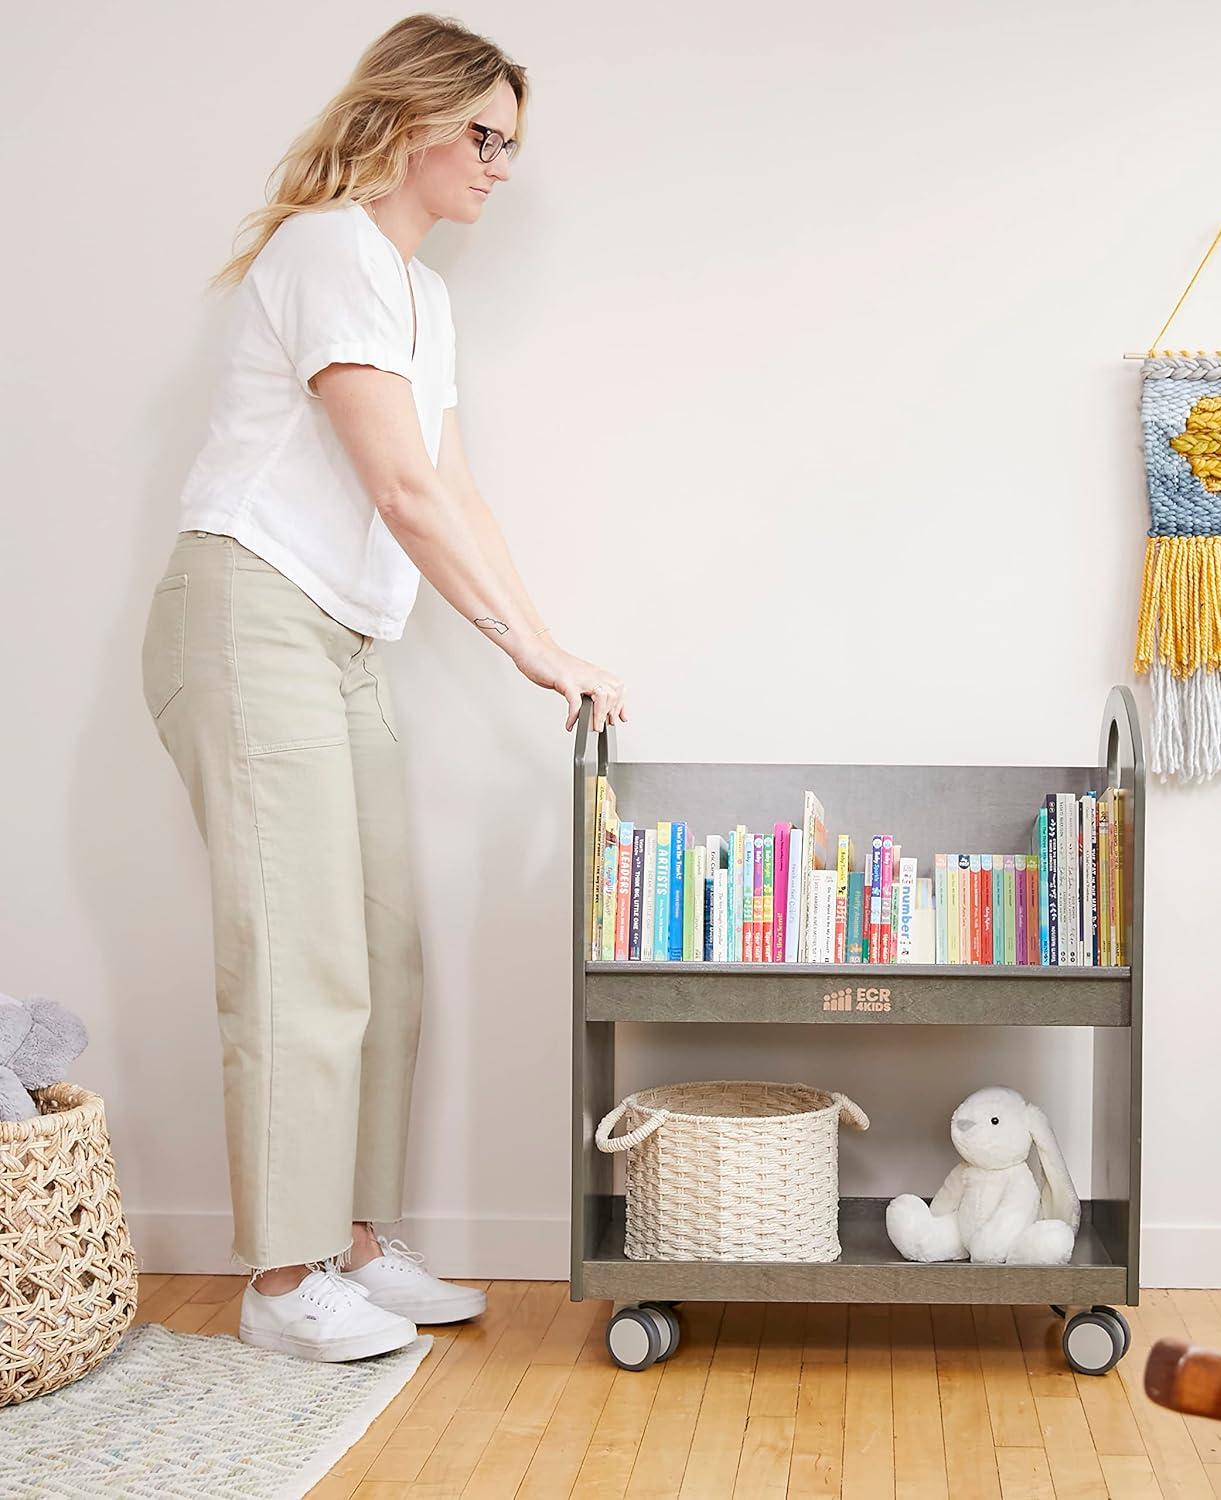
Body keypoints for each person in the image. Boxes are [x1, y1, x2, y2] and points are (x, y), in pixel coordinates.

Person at [138, 13, 626, 1363]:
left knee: (384, 950)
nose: (500, 166)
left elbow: (455, 483)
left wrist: (548, 637)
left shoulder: (424, 295)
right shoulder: (327, 251)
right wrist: (518, 647)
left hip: (339, 637)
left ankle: (353, 1242)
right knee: (302, 957)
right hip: (248, 614)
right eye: (485, 137)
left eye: (514, 147)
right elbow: (397, 486)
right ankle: (283, 1284)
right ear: (411, 120)